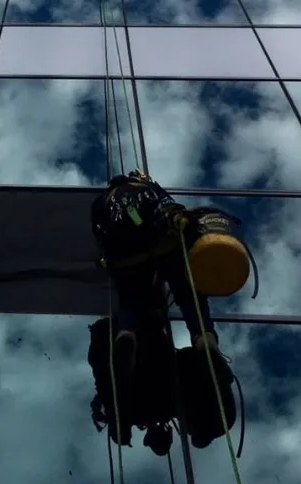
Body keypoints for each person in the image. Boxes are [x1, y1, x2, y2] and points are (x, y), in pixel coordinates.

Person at [91, 169, 233, 440]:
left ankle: (126, 336)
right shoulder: (146, 188)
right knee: (189, 296)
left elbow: (98, 234)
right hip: (162, 244)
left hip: (124, 257)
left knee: (132, 301)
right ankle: (204, 340)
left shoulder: (103, 201)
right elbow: (168, 207)